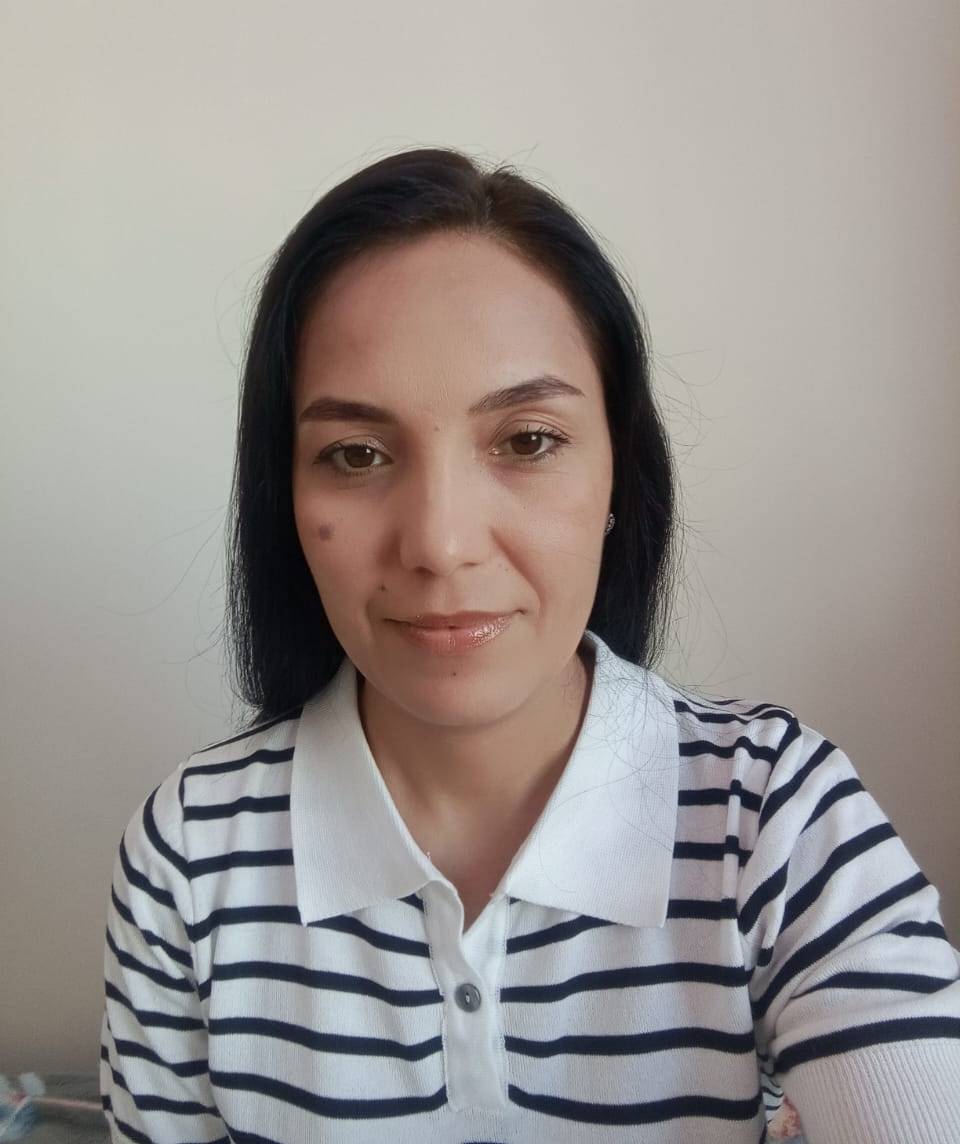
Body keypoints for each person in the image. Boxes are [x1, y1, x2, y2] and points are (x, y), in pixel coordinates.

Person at [100, 148, 960, 1144]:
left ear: (619, 475)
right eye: (357, 454)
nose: (441, 543)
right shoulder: (191, 853)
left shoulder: (774, 813)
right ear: (284, 496)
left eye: (527, 440)